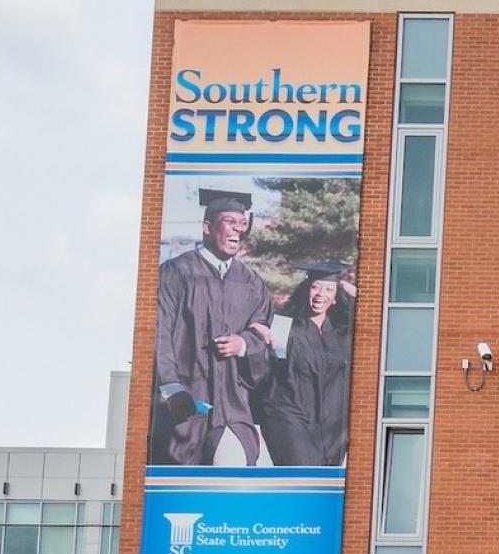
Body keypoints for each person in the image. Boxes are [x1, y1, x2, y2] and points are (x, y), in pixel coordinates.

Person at [151, 187, 272, 466]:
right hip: (185, 400)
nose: (238, 231)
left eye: (242, 224)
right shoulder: (176, 272)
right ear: (207, 227)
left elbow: (263, 331)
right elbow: (160, 332)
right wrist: (170, 388)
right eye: (230, 222)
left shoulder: (251, 282)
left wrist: (243, 344)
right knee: (182, 486)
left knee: (234, 477)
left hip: (233, 404)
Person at [249, 260, 355, 466]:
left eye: (329, 289)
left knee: (324, 482)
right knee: (301, 469)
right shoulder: (283, 324)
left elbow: (381, 319)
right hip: (287, 414)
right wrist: (254, 332)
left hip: (332, 423)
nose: (320, 294)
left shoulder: (343, 332)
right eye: (315, 287)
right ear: (306, 290)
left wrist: (350, 289)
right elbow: (261, 361)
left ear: (335, 298)